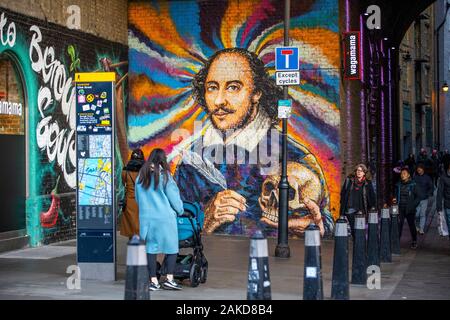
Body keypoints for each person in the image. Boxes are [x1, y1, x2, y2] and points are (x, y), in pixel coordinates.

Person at [173, 48, 333, 237]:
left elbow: (325, 223)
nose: (219, 100)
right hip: (215, 264)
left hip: (273, 263)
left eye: (233, 87)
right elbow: (176, 225)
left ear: (257, 92)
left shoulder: (294, 155)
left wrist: (315, 228)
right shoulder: (192, 160)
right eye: (212, 88)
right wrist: (204, 222)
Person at [135, 148, 184, 291]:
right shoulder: (165, 175)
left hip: (147, 219)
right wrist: (180, 211)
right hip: (165, 218)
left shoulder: (141, 176)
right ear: (163, 160)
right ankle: (169, 279)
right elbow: (174, 199)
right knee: (172, 248)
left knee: (151, 249)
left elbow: (138, 199)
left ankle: (153, 281)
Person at [340, 164, 376, 238]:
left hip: (361, 210)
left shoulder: (367, 183)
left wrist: (372, 207)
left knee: (360, 229)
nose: (359, 172)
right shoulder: (349, 181)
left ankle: (359, 245)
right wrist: (342, 206)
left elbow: (372, 196)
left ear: (364, 173)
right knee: (353, 229)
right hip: (350, 209)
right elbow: (343, 193)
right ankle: (357, 244)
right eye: (357, 170)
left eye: (361, 171)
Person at [120, 148, 145, 239]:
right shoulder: (145, 171)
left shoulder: (125, 171)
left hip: (130, 202)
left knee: (132, 229)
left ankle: (133, 248)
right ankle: (143, 249)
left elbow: (124, 184)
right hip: (143, 202)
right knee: (143, 228)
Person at [395, 167, 421, 249]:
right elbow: (395, 196)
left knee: (411, 225)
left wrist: (413, 205)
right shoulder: (398, 185)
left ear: (408, 175)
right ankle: (396, 242)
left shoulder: (413, 185)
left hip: (410, 209)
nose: (402, 175)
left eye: (404, 174)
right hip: (400, 208)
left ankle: (414, 241)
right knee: (399, 225)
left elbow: (418, 197)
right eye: (401, 174)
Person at [413, 163, 433, 235]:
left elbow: (431, 187)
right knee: (416, 214)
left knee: (423, 214)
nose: (419, 170)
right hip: (416, 199)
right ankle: (416, 226)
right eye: (418, 169)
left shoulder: (427, 178)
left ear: (423, 169)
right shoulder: (415, 177)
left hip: (424, 199)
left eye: (420, 169)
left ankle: (421, 229)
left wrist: (428, 194)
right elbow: (412, 187)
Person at [436, 160, 450, 243]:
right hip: (448, 204)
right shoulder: (443, 178)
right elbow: (439, 193)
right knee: (449, 222)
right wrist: (438, 207)